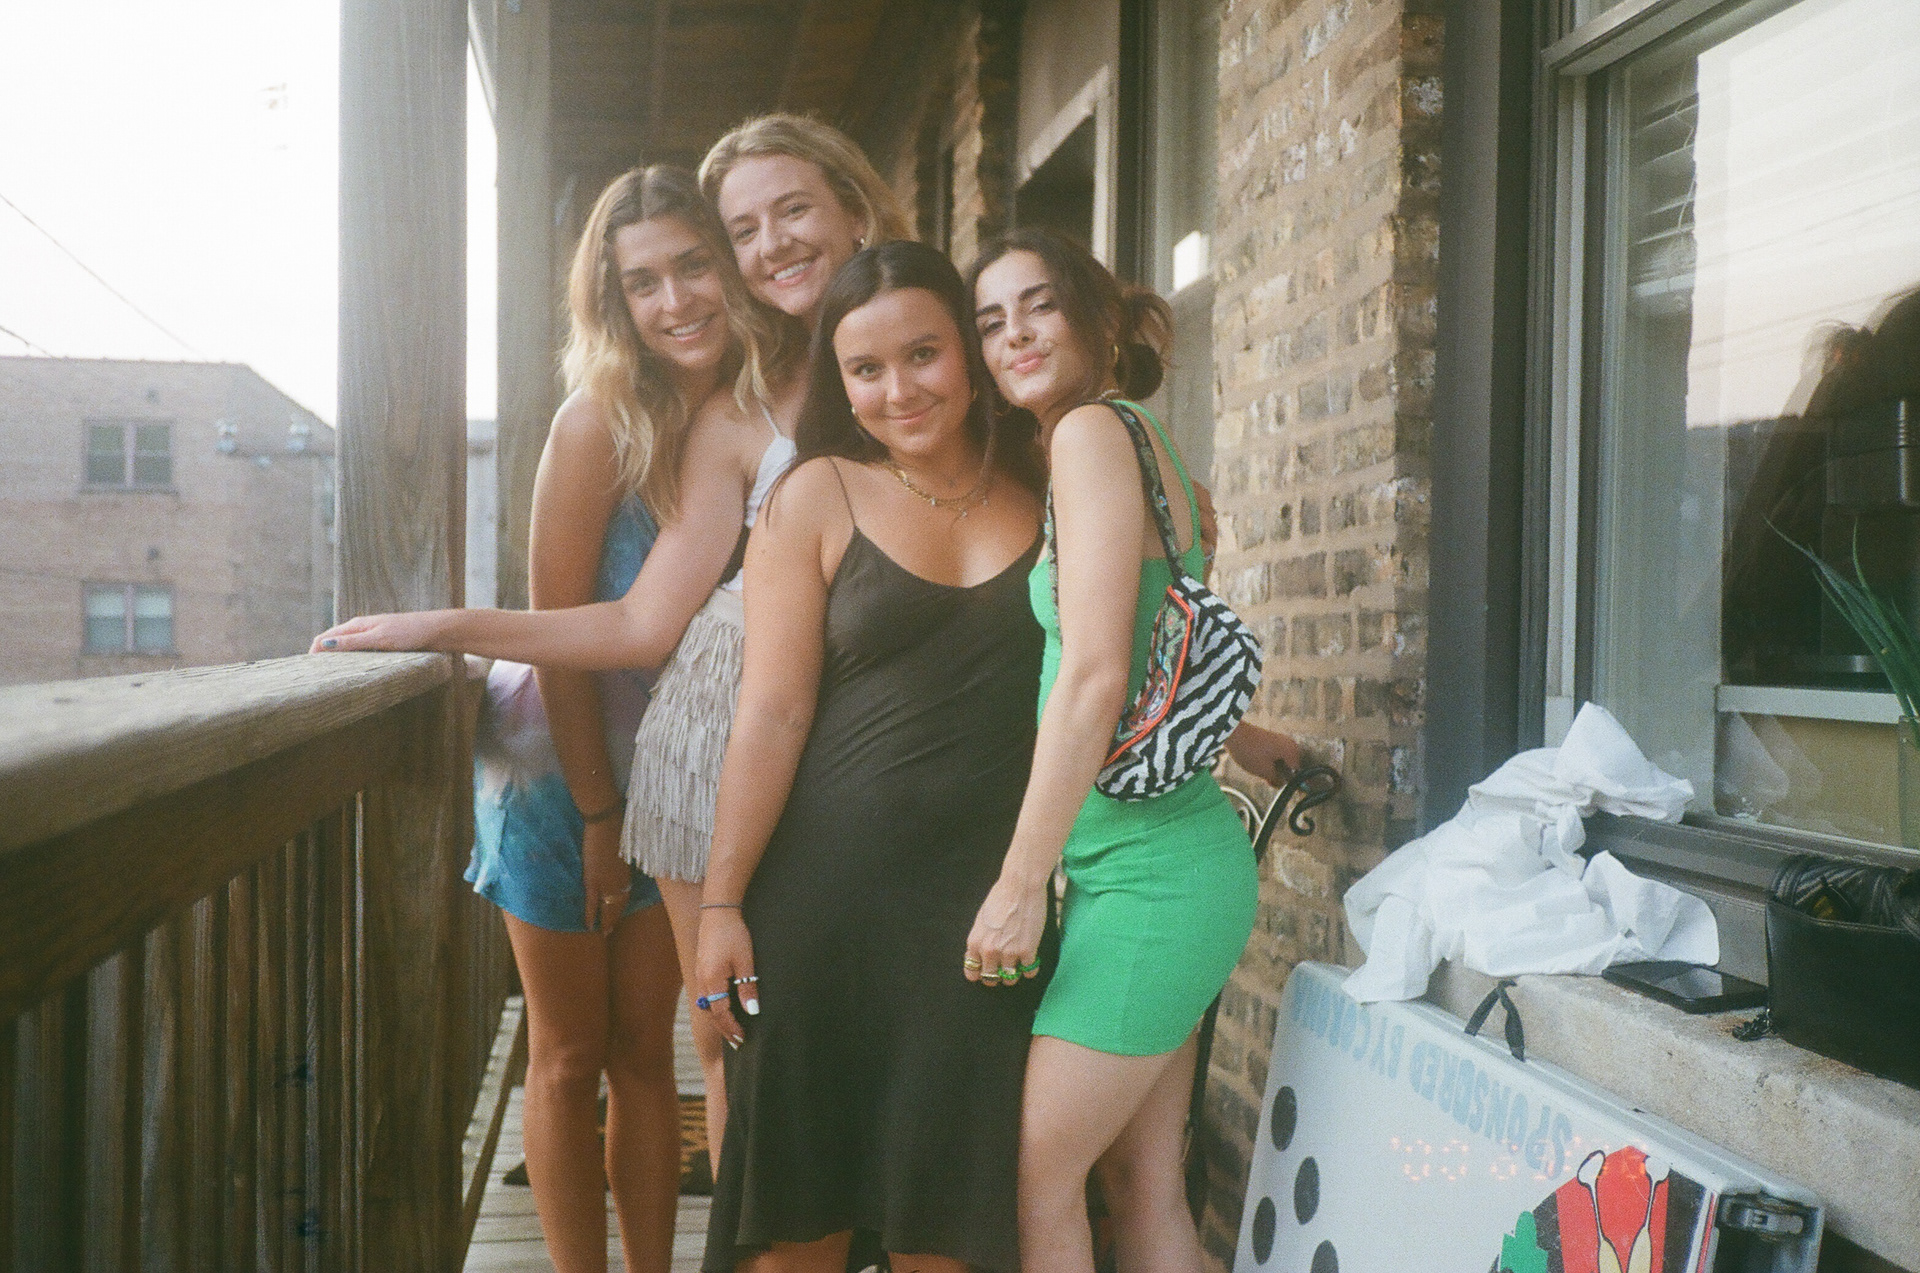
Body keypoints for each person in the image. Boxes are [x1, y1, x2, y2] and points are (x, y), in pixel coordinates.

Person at [313, 119, 913, 1155]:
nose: (767, 247)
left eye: (788, 215)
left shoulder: (907, 362)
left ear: (855, 210)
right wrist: (442, 624)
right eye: (745, 230)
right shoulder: (729, 410)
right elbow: (640, 620)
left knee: (857, 1031)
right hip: (689, 749)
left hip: (855, 740)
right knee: (727, 1038)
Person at [692, 241, 1050, 1273]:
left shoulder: (1051, 485)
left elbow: (1116, 663)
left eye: (923, 354)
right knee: (797, 1238)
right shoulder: (818, 492)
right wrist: (721, 903)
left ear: (971, 352)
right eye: (866, 368)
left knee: (947, 1233)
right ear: (841, 384)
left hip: (980, 921)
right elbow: (771, 712)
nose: (899, 390)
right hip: (822, 912)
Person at [468, 164, 767, 1273]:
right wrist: (599, 813)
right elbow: (557, 634)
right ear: (615, 302)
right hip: (562, 771)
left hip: (683, 779)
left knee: (651, 1052)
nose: (676, 300)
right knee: (568, 1053)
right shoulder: (597, 423)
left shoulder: (762, 409)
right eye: (644, 282)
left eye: (694, 266)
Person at [964, 227, 1280, 1273]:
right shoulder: (1129, 433)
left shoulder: (1091, 433)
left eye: (1039, 306)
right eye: (991, 322)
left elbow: (1098, 673)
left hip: (1152, 882)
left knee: (1033, 1183)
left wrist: (1020, 884)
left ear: (1097, 320)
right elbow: (1154, 648)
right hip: (1152, 870)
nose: (1014, 336)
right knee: (1142, 1188)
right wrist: (1248, 736)